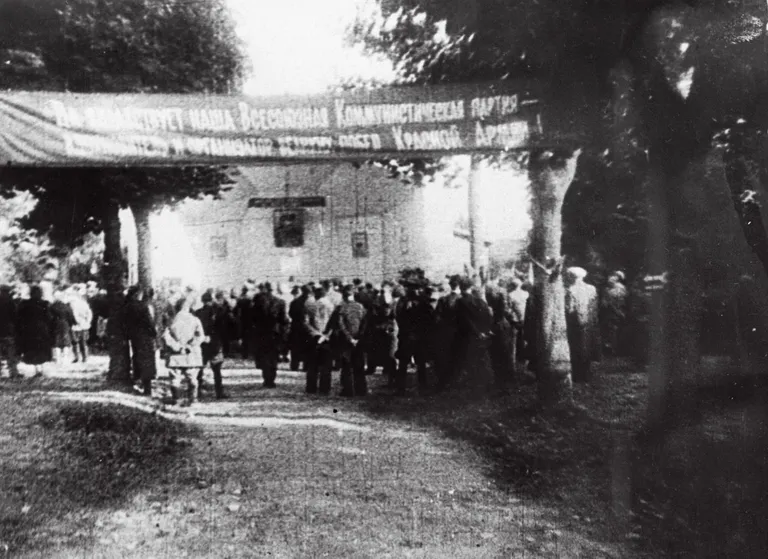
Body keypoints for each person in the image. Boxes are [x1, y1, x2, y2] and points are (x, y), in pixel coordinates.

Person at [454, 276, 495, 396]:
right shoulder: (479, 300)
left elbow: (466, 320)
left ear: (461, 288)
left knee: (471, 361)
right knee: (484, 360)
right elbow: (488, 316)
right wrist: (486, 331)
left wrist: (477, 332)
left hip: (469, 335)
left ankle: (477, 389)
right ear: (470, 287)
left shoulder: (461, 302)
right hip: (483, 335)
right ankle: (488, 385)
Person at [162, 296, 205, 406]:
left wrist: (177, 346)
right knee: (192, 377)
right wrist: (190, 346)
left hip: (175, 354)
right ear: (188, 307)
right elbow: (200, 336)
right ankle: (193, 400)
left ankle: (176, 400)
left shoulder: (171, 320)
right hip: (190, 354)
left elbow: (165, 336)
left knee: (175, 378)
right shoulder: (195, 320)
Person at [395, 281, 432, 395]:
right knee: (419, 363)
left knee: (404, 363)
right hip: (418, 336)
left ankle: (401, 388)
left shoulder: (403, 302)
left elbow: (398, 317)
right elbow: (429, 319)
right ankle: (422, 387)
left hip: (407, 336)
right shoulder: (423, 302)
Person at [251, 282, 289, 388]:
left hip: (261, 333)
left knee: (263, 356)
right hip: (275, 333)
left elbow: (253, 318)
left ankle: (266, 378)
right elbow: (284, 320)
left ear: (266, 289)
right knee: (273, 356)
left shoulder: (258, 302)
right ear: (274, 289)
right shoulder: (280, 302)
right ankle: (271, 379)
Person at [565, 267, 599, 382]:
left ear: (571, 277)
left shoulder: (570, 290)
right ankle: (586, 373)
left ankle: (577, 375)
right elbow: (594, 306)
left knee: (576, 347)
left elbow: (570, 309)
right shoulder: (591, 288)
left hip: (575, 322)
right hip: (589, 321)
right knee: (587, 345)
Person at [124, 286, 158, 396]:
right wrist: (154, 333)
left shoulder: (126, 306)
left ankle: (137, 379)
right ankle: (147, 388)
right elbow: (149, 322)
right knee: (147, 360)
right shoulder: (142, 306)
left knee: (136, 357)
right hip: (145, 337)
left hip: (134, 336)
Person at [335, 284, 368, 397]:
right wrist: (358, 338)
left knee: (347, 366)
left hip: (346, 340)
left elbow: (341, 325)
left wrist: (349, 338)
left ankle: (347, 390)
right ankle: (361, 390)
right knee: (359, 365)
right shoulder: (360, 307)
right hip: (358, 340)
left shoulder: (341, 308)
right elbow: (364, 324)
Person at [195, 290, 228, 399]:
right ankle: (219, 392)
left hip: (202, 343)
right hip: (215, 343)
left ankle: (197, 392)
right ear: (211, 300)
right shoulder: (218, 312)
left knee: (200, 369)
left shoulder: (197, 313)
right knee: (217, 370)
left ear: (202, 301)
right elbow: (223, 328)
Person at [303, 286, 335, 394]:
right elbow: (334, 323)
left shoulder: (309, 305)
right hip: (327, 338)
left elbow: (306, 322)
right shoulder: (331, 305)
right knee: (326, 364)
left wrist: (315, 334)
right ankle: (325, 388)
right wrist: (326, 335)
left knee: (312, 363)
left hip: (313, 337)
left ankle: (311, 387)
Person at [17, 285, 53, 376]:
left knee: (32, 349)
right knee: (41, 349)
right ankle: (40, 369)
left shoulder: (25, 304)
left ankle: (36, 369)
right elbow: (49, 317)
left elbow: (19, 317)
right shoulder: (45, 304)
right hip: (42, 329)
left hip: (29, 330)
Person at [433, 275, 461, 390]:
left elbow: (437, 318)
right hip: (459, 332)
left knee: (445, 357)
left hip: (445, 332)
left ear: (450, 285)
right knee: (457, 357)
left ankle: (443, 382)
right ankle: (455, 382)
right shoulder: (462, 299)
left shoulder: (443, 299)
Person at [601, 271, 628, 357]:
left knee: (615, 330)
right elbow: (604, 302)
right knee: (610, 331)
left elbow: (621, 301)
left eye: (615, 276)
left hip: (617, 312)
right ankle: (612, 349)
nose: (612, 278)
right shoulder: (607, 289)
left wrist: (618, 310)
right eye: (612, 275)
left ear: (618, 279)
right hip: (609, 312)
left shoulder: (620, 288)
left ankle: (616, 349)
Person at [506, 277, 529, 376]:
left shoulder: (510, 295)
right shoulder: (526, 294)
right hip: (524, 319)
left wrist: (512, 316)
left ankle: (513, 365)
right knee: (524, 341)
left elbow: (509, 309)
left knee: (513, 343)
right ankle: (525, 364)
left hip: (515, 321)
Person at [50, 287, 76, 367]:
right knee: (66, 343)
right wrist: (72, 324)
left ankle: (58, 359)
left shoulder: (52, 306)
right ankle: (65, 359)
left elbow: (49, 317)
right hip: (65, 325)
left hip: (55, 325)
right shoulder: (66, 306)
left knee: (57, 342)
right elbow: (71, 317)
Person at [288, 285, 310, 371]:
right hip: (308, 327)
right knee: (307, 347)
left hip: (297, 326)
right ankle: (306, 366)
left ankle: (294, 365)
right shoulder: (311, 302)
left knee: (295, 347)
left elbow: (290, 314)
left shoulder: (295, 301)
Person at [69, 285, 93, 364]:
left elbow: (88, 313)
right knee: (77, 342)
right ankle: (80, 357)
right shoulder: (76, 303)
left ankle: (82, 357)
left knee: (79, 342)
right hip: (79, 324)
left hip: (80, 324)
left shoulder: (80, 303)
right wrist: (88, 321)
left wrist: (87, 321)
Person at [0, 285, 20, 378]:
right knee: (10, 352)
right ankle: (13, 372)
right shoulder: (10, 303)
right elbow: (15, 317)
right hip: (8, 330)